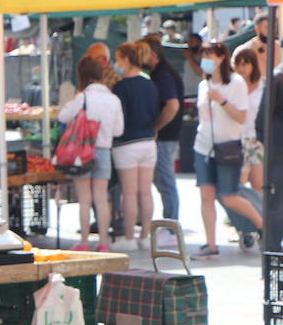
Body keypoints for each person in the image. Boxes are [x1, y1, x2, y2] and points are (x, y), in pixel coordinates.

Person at [192, 42, 262, 258]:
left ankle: (262, 225)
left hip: (229, 147)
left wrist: (221, 101)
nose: (206, 59)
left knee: (229, 196)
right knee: (206, 196)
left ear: (222, 57)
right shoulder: (203, 84)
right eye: (203, 55)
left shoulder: (236, 83)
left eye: (210, 55)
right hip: (203, 147)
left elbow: (242, 116)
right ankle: (211, 244)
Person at [58, 57, 123, 251]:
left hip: (82, 153)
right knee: (102, 198)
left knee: (85, 199)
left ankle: (84, 241)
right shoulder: (113, 99)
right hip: (104, 151)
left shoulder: (82, 97)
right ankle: (103, 242)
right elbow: (119, 131)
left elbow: (62, 116)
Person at [110, 42, 159, 249]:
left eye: (119, 59)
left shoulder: (120, 87)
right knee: (145, 192)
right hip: (148, 142)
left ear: (127, 60)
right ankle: (145, 236)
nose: (116, 64)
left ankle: (129, 237)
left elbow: (119, 119)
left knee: (129, 193)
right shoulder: (150, 84)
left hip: (126, 144)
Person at [143, 36, 184, 237]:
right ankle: (170, 223)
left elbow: (172, 105)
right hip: (166, 135)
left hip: (165, 136)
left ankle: (170, 226)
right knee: (163, 180)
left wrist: (156, 127)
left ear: (153, 55)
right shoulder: (161, 73)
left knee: (165, 180)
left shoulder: (163, 75)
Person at [233, 45, 266, 191]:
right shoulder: (233, 86)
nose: (242, 68)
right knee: (239, 180)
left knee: (258, 182)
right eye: (238, 64)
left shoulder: (263, 85)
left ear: (253, 64)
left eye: (245, 64)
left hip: (257, 139)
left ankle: (259, 212)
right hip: (237, 139)